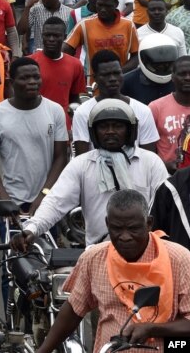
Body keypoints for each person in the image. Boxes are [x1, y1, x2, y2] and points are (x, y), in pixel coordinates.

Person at [34, 190, 190, 353]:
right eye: (117, 229)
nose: (124, 237)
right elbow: (74, 309)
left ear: (149, 224)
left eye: (133, 229)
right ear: (107, 224)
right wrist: (44, 350)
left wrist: (152, 329)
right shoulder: (94, 258)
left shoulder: (179, 260)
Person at [13, 98, 168, 251]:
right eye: (103, 127)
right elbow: (55, 202)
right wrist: (32, 229)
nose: (110, 131)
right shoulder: (81, 164)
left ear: (130, 130)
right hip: (98, 252)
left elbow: (166, 206)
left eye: (118, 126)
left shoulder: (151, 162)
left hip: (146, 251)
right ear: (93, 132)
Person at [72, 50, 159, 156]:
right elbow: (82, 159)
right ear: (95, 78)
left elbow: (149, 156)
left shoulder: (143, 111)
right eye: (106, 75)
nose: (113, 79)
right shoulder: (83, 112)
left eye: (117, 73)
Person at [64, 0, 139, 72]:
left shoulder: (129, 25)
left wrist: (118, 72)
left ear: (116, 4)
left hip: (120, 82)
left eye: (108, 6)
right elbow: (66, 50)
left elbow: (136, 56)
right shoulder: (84, 24)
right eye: (100, 5)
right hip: (93, 83)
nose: (103, 9)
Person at [30, 17, 87, 127]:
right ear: (42, 36)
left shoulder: (75, 64)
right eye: (47, 35)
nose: (51, 39)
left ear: (64, 37)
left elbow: (74, 99)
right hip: (34, 122)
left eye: (56, 36)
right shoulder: (30, 63)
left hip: (63, 125)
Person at [123, 33, 177, 105]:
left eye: (166, 64)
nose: (161, 67)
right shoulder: (126, 82)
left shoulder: (180, 80)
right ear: (143, 59)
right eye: (157, 64)